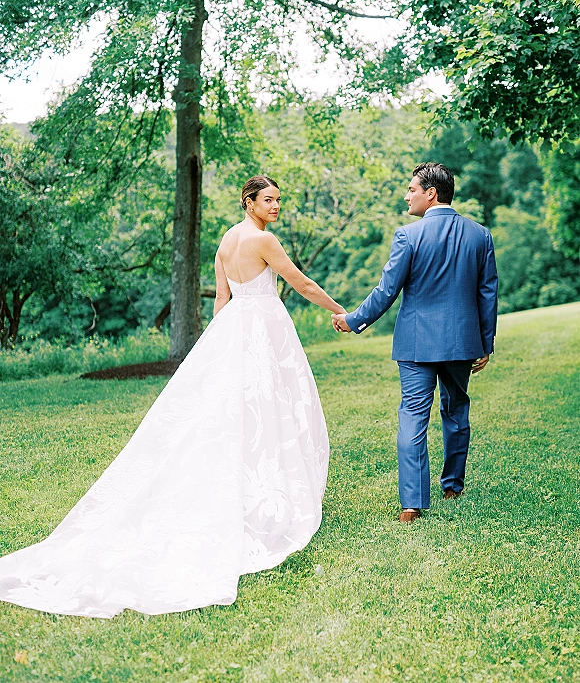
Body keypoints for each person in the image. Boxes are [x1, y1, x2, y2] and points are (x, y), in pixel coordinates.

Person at [0, 175, 345, 617]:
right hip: (262, 330)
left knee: (242, 416)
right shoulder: (264, 240)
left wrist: (219, 347)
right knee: (268, 412)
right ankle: (269, 499)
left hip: (236, 330)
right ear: (249, 202)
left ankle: (257, 489)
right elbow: (300, 283)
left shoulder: (226, 241)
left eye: (280, 199)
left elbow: (222, 301)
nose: (277, 206)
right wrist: (340, 311)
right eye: (269, 200)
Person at [332, 163, 498, 523]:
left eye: (411, 189)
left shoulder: (408, 236)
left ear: (431, 193)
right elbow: (487, 293)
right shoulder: (480, 235)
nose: (407, 196)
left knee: (412, 416)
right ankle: (453, 486)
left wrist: (353, 320)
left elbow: (387, 291)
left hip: (416, 344)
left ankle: (412, 504)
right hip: (461, 343)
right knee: (456, 411)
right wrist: (486, 343)